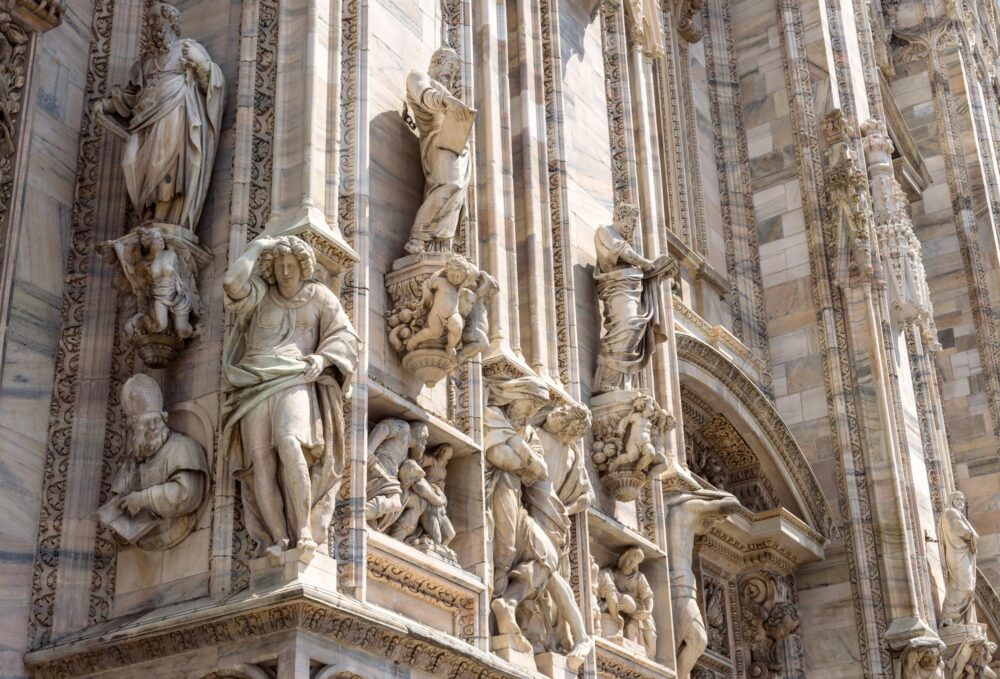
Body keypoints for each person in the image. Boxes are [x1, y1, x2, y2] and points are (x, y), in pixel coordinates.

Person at [222, 235, 358, 561]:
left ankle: (303, 530)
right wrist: (257, 247)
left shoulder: (319, 296)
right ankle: (278, 538)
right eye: (280, 265)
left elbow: (345, 336)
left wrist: (323, 359)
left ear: (303, 266)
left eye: (291, 265)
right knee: (260, 462)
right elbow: (231, 283)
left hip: (296, 377)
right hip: (254, 382)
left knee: (289, 442)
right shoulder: (260, 294)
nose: (285, 272)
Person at [93, 2, 224, 230]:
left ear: (171, 22)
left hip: (174, 110)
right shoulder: (145, 62)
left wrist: (202, 64)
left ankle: (160, 218)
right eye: (149, 20)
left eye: (156, 19)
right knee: (130, 160)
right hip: (144, 117)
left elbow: (210, 84)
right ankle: (147, 212)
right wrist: (107, 105)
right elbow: (132, 95)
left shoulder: (187, 48)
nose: (152, 25)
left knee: (164, 165)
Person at [96, 374, 208, 550]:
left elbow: (186, 495)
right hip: (145, 538)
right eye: (146, 423)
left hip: (174, 530)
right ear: (133, 429)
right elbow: (120, 500)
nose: (153, 428)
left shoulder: (182, 448)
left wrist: (142, 499)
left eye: (157, 420)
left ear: (164, 419)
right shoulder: (132, 462)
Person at [593, 203, 674, 394]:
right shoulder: (605, 231)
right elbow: (621, 251)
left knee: (635, 331)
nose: (632, 228)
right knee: (627, 328)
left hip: (631, 288)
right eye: (631, 223)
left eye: (634, 224)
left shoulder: (624, 240)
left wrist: (659, 271)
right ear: (620, 217)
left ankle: (622, 383)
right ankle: (607, 380)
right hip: (617, 287)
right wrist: (647, 264)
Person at [404, 47, 475, 254]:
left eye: (454, 72)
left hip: (457, 149)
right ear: (437, 61)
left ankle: (440, 249)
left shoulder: (446, 92)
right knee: (449, 185)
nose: (451, 74)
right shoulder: (419, 77)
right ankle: (418, 236)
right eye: (450, 66)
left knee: (456, 200)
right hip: (438, 143)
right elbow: (425, 96)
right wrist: (447, 100)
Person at [664, 487, 741, 679]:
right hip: (679, 583)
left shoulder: (680, 511)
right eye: (718, 519)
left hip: (682, 583)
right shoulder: (688, 508)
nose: (715, 521)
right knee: (697, 641)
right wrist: (714, 497)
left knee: (680, 643)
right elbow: (732, 504)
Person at [939, 491, 979, 627]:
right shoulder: (951, 512)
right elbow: (962, 530)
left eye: (962, 499)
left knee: (968, 587)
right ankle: (948, 617)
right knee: (964, 587)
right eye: (958, 499)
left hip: (962, 554)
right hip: (957, 556)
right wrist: (974, 536)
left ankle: (966, 620)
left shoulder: (954, 513)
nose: (961, 501)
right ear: (951, 500)